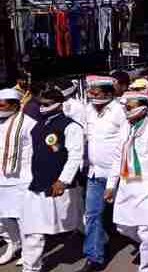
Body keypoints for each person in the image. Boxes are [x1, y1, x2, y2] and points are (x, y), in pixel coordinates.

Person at [21, 88, 84, 272]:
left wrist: (63, 180)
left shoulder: (71, 126)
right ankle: (30, 268)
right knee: (33, 229)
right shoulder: (38, 125)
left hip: (59, 185)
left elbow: (75, 156)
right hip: (36, 184)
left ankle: (98, 243)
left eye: (46, 104)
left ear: (59, 104)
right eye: (40, 104)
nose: (41, 107)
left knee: (81, 222)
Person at [103, 91, 148, 272]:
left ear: (142, 107)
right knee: (123, 227)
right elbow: (118, 158)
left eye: (129, 107)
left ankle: (146, 267)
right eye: (125, 106)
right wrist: (110, 185)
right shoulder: (125, 128)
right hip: (127, 185)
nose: (125, 110)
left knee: (145, 233)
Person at [82, 75, 127, 271]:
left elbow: (124, 146)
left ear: (109, 93)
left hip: (120, 174)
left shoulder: (120, 112)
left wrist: (113, 181)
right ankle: (94, 256)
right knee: (93, 214)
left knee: (127, 217)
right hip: (94, 174)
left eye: (96, 92)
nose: (92, 96)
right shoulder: (88, 111)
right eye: (90, 92)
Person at [0, 89, 36, 265]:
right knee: (4, 217)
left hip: (22, 178)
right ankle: (13, 244)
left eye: (2, 104)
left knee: (23, 219)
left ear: (14, 105)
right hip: (1, 178)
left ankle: (29, 254)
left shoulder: (28, 123)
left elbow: (36, 152)